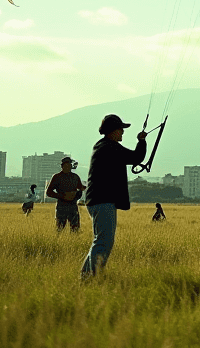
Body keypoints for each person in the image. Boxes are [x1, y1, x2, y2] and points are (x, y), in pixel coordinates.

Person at [81, 114, 147, 277]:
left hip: (97, 200)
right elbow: (136, 157)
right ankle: (92, 278)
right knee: (104, 242)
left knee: (99, 241)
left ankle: (86, 277)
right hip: (103, 201)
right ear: (113, 131)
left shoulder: (103, 146)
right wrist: (141, 141)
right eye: (121, 129)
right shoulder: (109, 147)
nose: (123, 133)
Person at [46, 156, 85, 233]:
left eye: (69, 165)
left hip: (73, 206)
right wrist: (63, 196)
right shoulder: (57, 177)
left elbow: (80, 189)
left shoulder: (75, 177)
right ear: (62, 166)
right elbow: (49, 192)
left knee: (75, 229)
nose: (67, 167)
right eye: (65, 165)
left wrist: (75, 196)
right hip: (61, 206)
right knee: (60, 229)